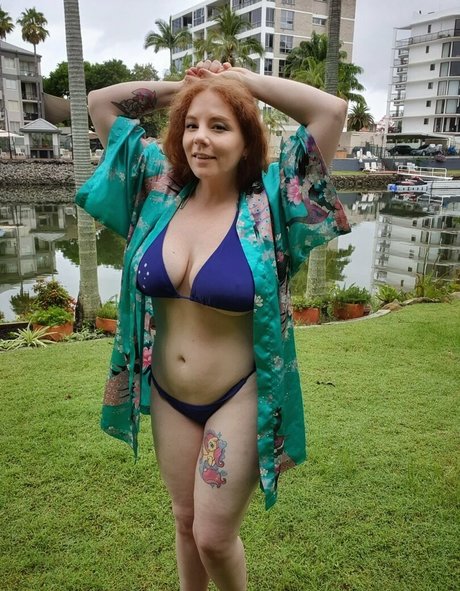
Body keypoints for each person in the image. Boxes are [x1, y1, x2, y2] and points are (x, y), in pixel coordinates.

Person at [76, 60, 350, 591]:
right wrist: (189, 88)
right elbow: (101, 103)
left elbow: (330, 111)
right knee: (184, 520)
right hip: (169, 394)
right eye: (191, 125)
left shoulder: (272, 201)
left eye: (219, 126)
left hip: (239, 394)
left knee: (214, 537)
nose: (200, 138)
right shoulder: (157, 187)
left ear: (247, 142)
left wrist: (239, 83)